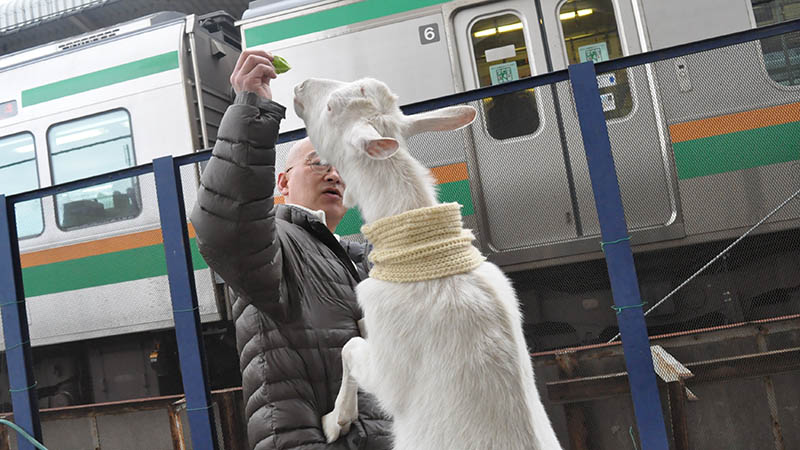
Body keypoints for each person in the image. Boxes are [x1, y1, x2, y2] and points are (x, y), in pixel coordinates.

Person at [190, 50, 392, 450]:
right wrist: (251, 110)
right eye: (318, 163)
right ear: (282, 183)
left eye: (340, 166)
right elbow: (224, 226)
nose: (334, 173)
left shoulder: (356, 258)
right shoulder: (275, 242)